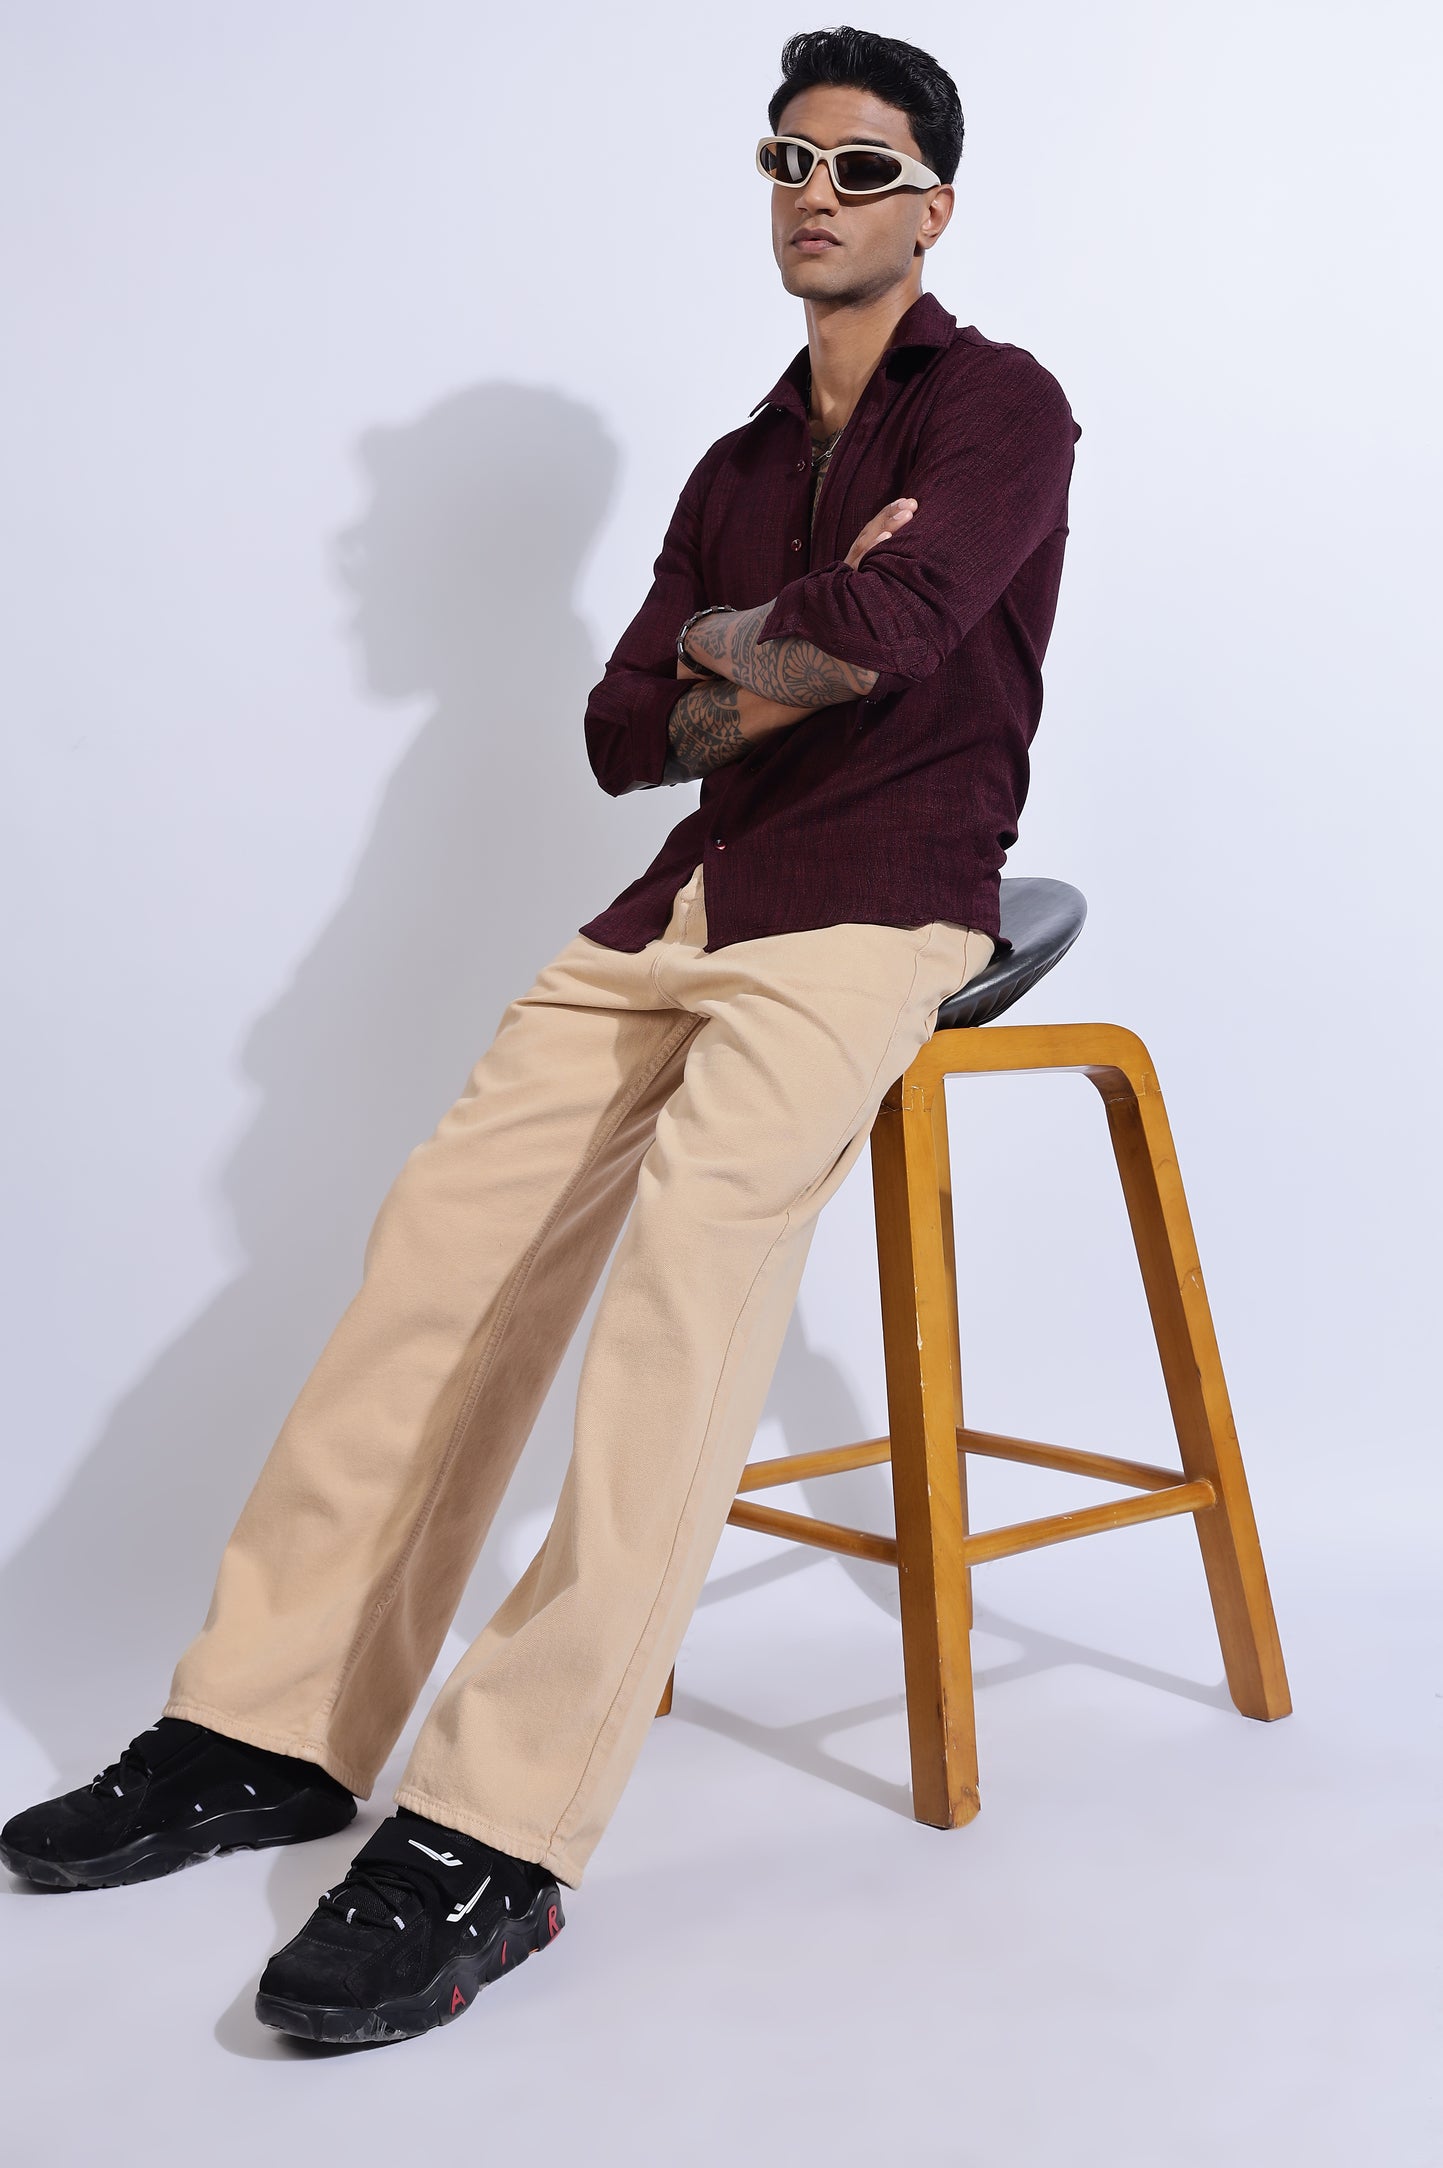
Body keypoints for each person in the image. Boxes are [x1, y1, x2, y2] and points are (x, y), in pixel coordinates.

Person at [1, 25, 1080, 2046]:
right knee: (429, 1260)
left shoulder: (1003, 404)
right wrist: (774, 642)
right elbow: (616, 731)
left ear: (932, 206)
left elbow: (900, 629)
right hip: (678, 902)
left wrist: (746, 651)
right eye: (787, 158)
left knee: (679, 1307)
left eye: (858, 166)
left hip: (880, 897)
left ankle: (498, 1830)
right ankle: (265, 1731)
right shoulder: (736, 468)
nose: (815, 193)